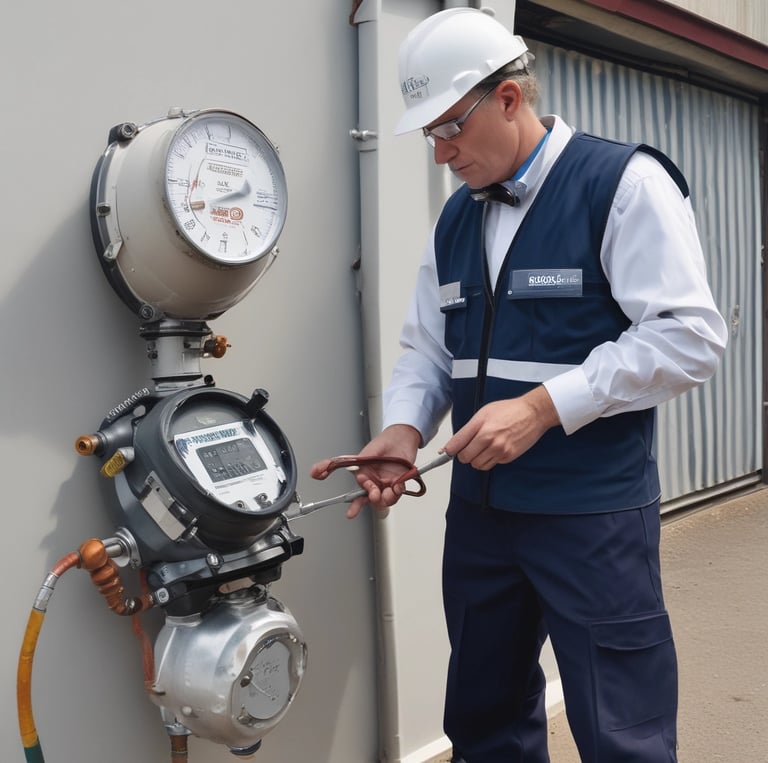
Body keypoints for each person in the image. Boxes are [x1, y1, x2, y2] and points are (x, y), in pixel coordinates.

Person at [311, 7, 728, 762]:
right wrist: (403, 429)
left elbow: (688, 337)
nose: (440, 153)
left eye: (450, 128)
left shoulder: (621, 184)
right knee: (486, 719)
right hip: (481, 519)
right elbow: (427, 350)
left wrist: (542, 408)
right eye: (429, 135)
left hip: (590, 514)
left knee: (622, 731)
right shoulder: (454, 222)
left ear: (509, 97)